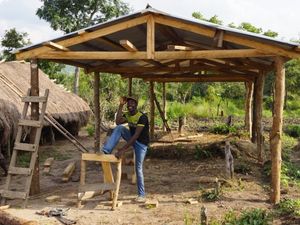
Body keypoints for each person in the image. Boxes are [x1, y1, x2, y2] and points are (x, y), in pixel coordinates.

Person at [101, 96, 149, 202]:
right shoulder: (127, 114)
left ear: (136, 105)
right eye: (128, 103)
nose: (130, 105)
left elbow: (136, 136)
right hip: (132, 138)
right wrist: (120, 105)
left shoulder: (142, 117)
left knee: (138, 168)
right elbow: (118, 122)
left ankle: (142, 195)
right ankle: (106, 149)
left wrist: (123, 149)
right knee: (119, 128)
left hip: (141, 144)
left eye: (132, 103)